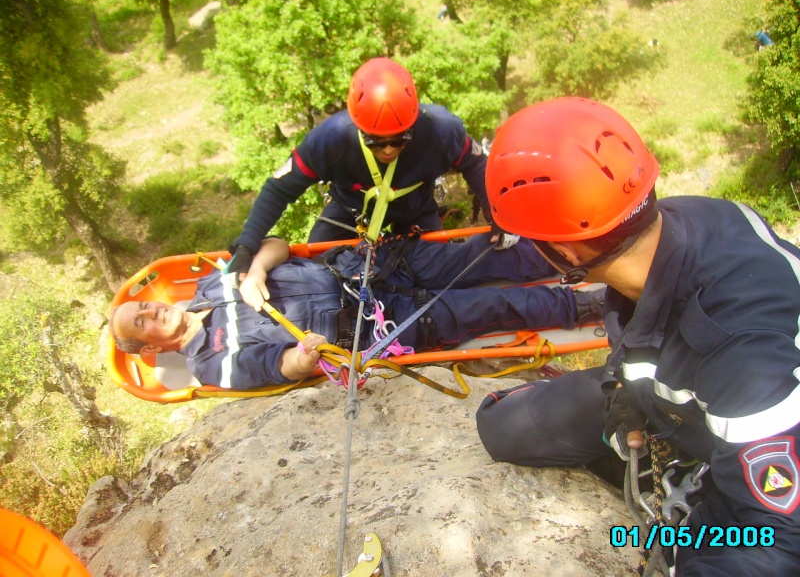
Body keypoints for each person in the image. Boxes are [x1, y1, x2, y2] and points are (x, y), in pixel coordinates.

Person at [475, 96, 800, 574]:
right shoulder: (689, 218)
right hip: (672, 396)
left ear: (564, 252)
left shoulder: (741, 348)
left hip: (756, 433)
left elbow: (778, 544)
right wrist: (624, 389)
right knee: (501, 427)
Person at [111, 233, 605, 390]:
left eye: (145, 304)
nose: (153, 309)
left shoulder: (210, 282)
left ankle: (576, 248)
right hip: (378, 321)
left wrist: (257, 270)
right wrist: (303, 359)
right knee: (494, 306)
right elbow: (276, 369)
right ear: (152, 346)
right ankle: (597, 302)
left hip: (370, 267)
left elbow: (278, 243)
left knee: (482, 254)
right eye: (143, 321)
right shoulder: (211, 361)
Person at [227, 57, 510, 278]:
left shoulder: (440, 129)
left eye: (400, 139)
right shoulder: (331, 139)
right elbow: (279, 189)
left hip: (414, 208)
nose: (388, 149)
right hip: (351, 210)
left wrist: (496, 210)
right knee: (320, 269)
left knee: (430, 272)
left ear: (413, 124)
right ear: (360, 129)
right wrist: (247, 244)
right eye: (376, 141)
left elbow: (476, 164)